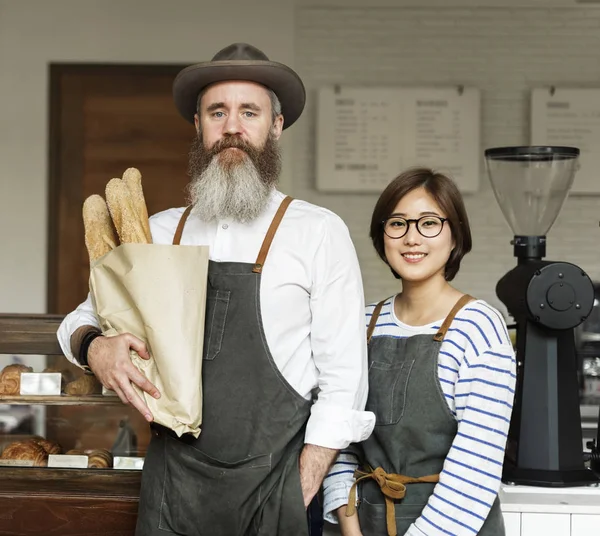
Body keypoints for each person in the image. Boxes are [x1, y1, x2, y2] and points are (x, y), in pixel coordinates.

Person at [56, 42, 375, 536]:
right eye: (217, 112)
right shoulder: (160, 233)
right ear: (199, 127)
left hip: (277, 488)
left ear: (276, 126)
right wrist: (95, 348)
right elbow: (78, 319)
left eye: (250, 112)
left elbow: (345, 381)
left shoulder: (317, 232)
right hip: (173, 488)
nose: (232, 127)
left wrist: (303, 482)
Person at [322, 168, 516, 536]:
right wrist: (350, 529)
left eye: (429, 223)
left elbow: (476, 467)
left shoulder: (478, 328)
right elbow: (338, 441)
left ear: (455, 233)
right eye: (397, 224)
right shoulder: (361, 324)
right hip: (362, 523)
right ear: (383, 236)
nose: (412, 238)